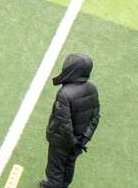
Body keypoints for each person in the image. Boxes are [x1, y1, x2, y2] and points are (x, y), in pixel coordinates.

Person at [40, 54, 102, 188]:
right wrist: (83, 140)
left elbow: (64, 124)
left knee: (55, 171)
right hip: (79, 142)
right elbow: (95, 117)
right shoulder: (92, 89)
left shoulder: (65, 93)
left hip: (61, 142)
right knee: (68, 168)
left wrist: (72, 143)